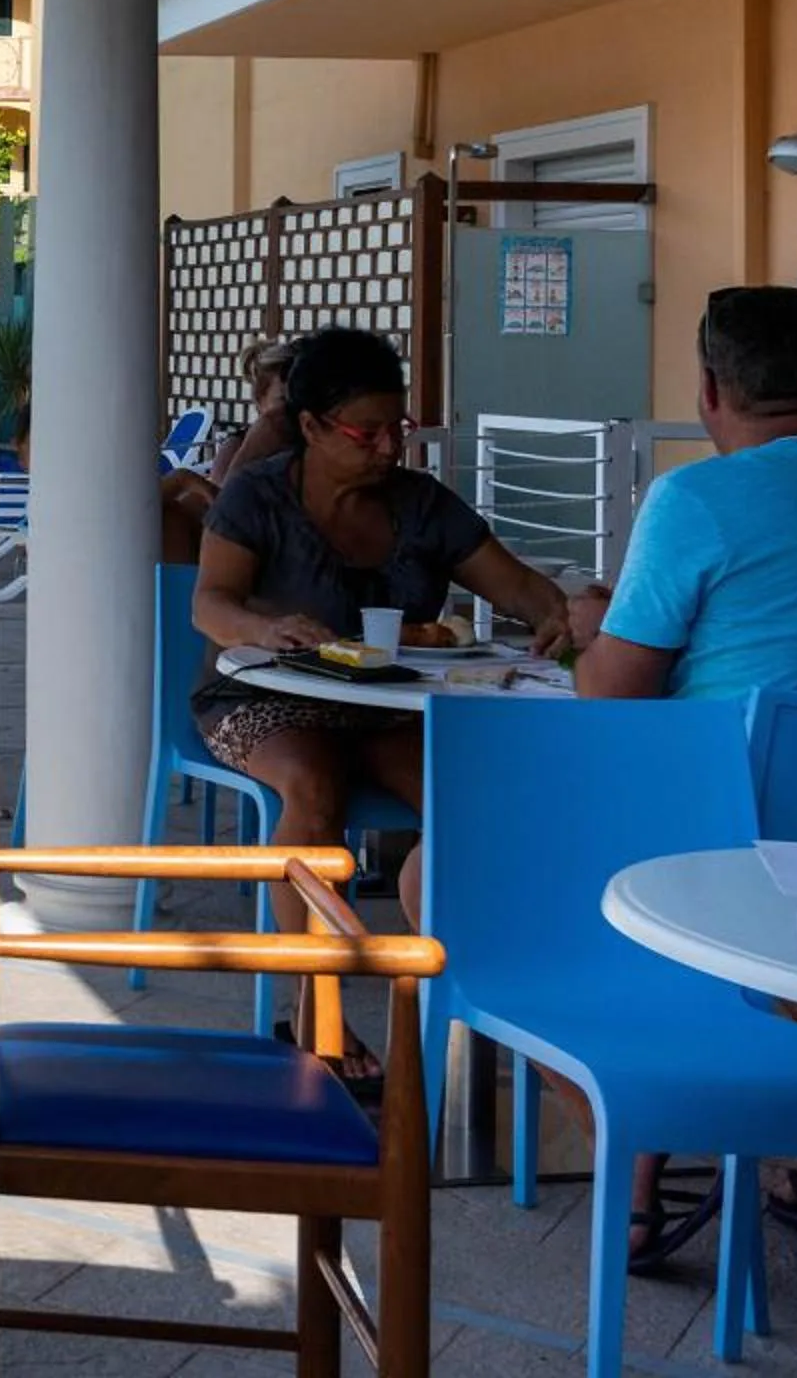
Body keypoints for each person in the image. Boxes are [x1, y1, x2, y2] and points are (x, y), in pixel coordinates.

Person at [578, 286, 797, 1265]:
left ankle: (633, 1172)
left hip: (714, 823)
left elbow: (614, 695)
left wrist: (593, 627)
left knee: (445, 877)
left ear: (712, 388)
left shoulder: (696, 499)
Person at [193, 326, 577, 1082]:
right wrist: (267, 629)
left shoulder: (421, 505)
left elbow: (518, 587)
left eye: (395, 429)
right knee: (313, 787)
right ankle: (316, 1009)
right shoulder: (259, 493)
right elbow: (211, 603)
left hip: (390, 703)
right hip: (266, 691)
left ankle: (502, 1000)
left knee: (471, 800)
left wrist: (562, 621)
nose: (387, 448)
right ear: (309, 427)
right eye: (364, 432)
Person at [162, 339, 296, 556]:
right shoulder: (239, 447)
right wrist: (182, 479)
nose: (293, 411)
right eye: (283, 400)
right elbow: (224, 515)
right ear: (260, 401)